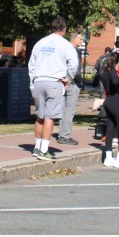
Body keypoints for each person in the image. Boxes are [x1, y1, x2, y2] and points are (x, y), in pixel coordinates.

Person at [27, 16, 79, 161]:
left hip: (38, 80)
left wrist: (32, 80)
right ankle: (44, 150)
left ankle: (37, 147)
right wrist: (68, 78)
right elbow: (74, 64)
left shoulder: (40, 43)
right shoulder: (65, 44)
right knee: (50, 116)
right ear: (64, 29)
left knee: (40, 116)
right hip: (54, 81)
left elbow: (31, 64)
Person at [58, 31, 85, 146]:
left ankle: (62, 133)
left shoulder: (63, 49)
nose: (82, 41)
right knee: (69, 110)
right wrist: (80, 83)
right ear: (74, 39)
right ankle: (65, 135)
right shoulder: (75, 51)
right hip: (72, 83)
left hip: (61, 81)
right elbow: (76, 68)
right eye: (80, 39)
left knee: (63, 110)